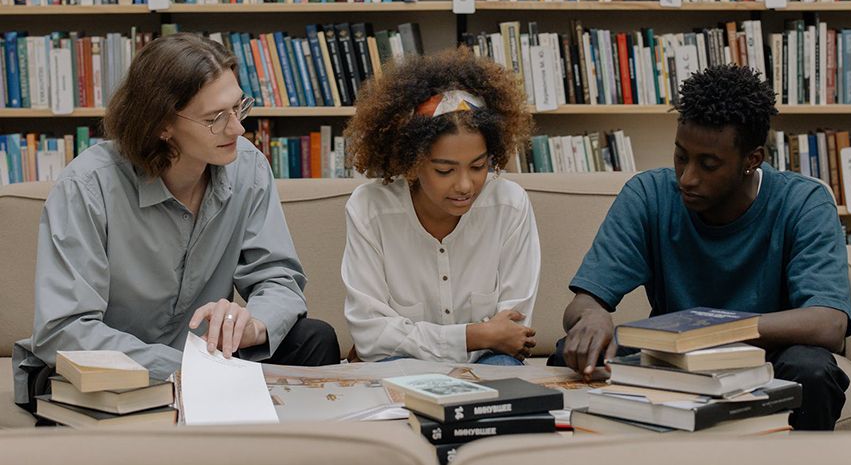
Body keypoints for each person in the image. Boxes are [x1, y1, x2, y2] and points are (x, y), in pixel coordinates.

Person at [14, 33, 340, 413]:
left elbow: (278, 277)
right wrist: (186, 370)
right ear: (162, 125)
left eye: (239, 108)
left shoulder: (247, 167)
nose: (238, 129)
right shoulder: (87, 187)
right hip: (115, 370)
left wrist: (254, 324)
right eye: (216, 118)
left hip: (207, 362)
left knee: (314, 338)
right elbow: (63, 329)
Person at [551, 64, 851, 431]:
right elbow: (583, 303)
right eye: (681, 156)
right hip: (673, 358)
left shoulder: (804, 202)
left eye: (708, 164)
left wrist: (711, 331)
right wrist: (592, 315)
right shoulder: (648, 195)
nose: (687, 178)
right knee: (571, 350)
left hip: (768, 358)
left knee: (813, 369)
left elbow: (829, 323)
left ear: (752, 159)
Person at [341, 48, 539, 365]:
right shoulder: (370, 209)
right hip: (402, 364)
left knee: (503, 370)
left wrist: (482, 339)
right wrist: (474, 336)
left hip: (489, 360)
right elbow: (371, 336)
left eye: (478, 166)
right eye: (445, 171)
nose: (465, 185)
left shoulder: (510, 205)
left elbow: (512, 333)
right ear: (412, 162)